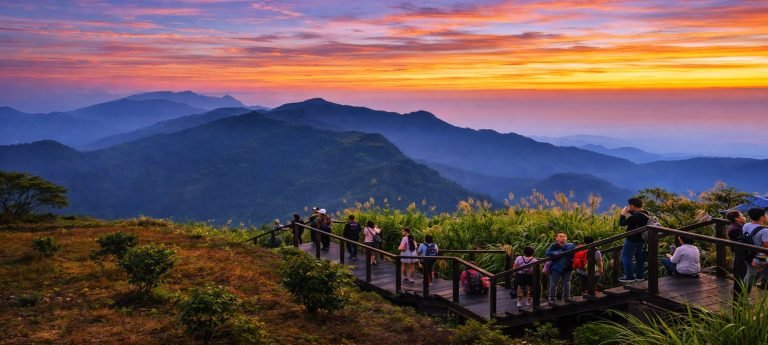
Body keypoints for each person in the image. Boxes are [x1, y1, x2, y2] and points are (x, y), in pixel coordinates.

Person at [619, 197, 651, 283]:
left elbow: (621, 223)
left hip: (632, 239)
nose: (629, 207)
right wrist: (629, 211)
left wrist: (622, 214)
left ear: (632, 205)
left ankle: (629, 276)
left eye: (630, 205)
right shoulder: (646, 213)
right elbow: (636, 216)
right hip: (641, 240)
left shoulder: (635, 216)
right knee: (639, 258)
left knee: (626, 257)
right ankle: (639, 276)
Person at [741, 208, 768, 293]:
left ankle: (741, 295)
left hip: (748, 255)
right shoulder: (764, 231)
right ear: (761, 217)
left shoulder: (746, 225)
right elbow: (766, 247)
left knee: (750, 275)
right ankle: (742, 298)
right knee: (751, 277)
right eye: (765, 215)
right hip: (759, 258)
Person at [546, 231, 576, 304]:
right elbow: (547, 253)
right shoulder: (554, 246)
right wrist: (556, 252)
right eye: (560, 236)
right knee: (553, 283)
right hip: (556, 267)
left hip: (568, 267)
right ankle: (552, 298)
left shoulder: (571, 245)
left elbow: (575, 253)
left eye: (564, 236)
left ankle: (566, 297)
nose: (562, 238)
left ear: (566, 237)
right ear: (556, 238)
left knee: (567, 282)